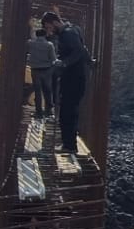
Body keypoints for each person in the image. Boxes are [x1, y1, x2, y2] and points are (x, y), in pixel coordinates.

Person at [42, 11, 92, 154]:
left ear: (55, 22)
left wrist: (63, 63)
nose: (49, 31)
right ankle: (69, 145)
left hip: (73, 78)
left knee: (67, 112)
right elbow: (83, 50)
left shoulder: (68, 34)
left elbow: (78, 51)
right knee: (69, 111)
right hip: (76, 77)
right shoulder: (74, 30)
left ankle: (69, 146)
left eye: (49, 27)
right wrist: (89, 61)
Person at [25, 27, 57, 117]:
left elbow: (28, 43)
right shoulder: (49, 45)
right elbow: (53, 59)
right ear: (45, 35)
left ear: (37, 35)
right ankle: (48, 110)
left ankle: (38, 111)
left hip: (35, 70)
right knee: (47, 90)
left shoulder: (31, 43)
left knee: (37, 91)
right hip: (46, 70)